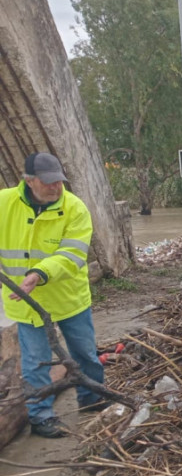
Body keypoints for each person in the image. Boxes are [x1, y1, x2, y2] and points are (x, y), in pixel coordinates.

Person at [0, 153, 105, 438]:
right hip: (26, 303)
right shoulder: (4, 202)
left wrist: (38, 274)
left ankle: (92, 398)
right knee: (35, 362)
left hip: (68, 297)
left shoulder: (74, 208)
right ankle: (41, 417)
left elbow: (71, 255)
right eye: (48, 182)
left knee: (84, 354)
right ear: (29, 180)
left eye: (59, 181)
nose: (55, 187)